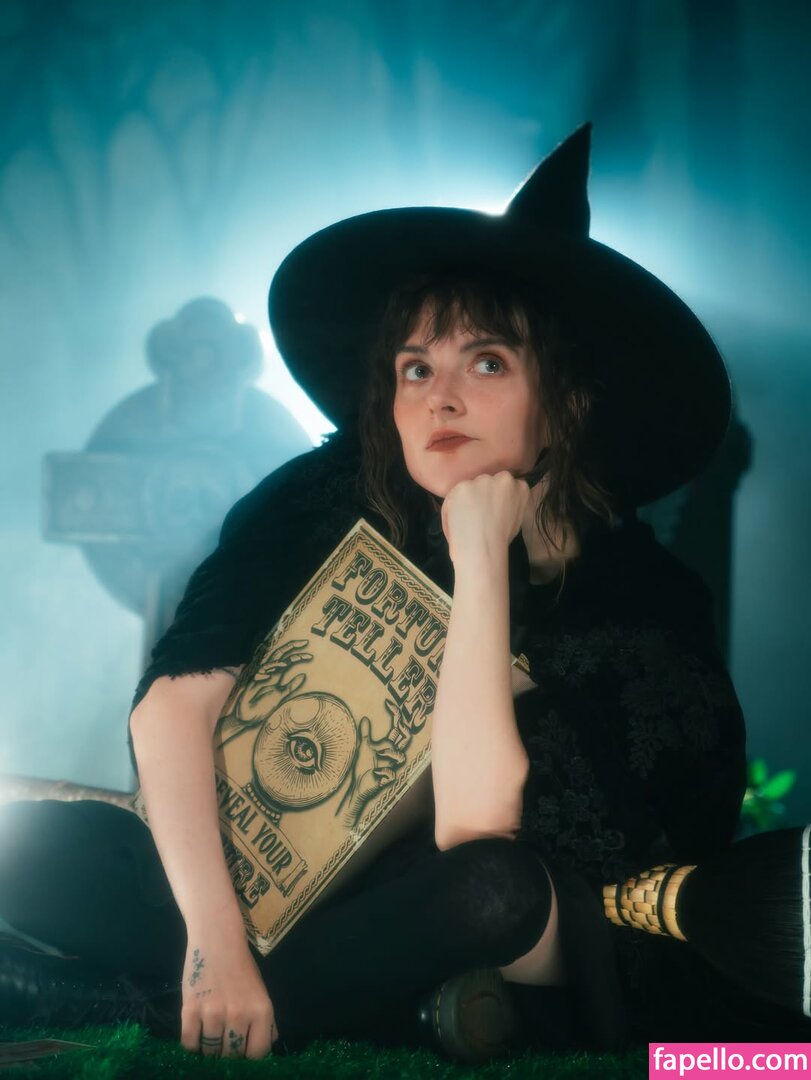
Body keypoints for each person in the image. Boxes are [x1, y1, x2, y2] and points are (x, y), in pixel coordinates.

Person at [0, 124, 761, 1061]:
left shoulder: (640, 601)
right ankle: (382, 1011)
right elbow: (174, 705)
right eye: (415, 367)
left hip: (476, 913)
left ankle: (77, 997)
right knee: (28, 847)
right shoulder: (324, 494)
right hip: (272, 888)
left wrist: (479, 558)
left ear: (565, 403)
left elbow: (475, 830)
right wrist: (213, 945)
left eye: (487, 362)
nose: (439, 397)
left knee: (493, 894)